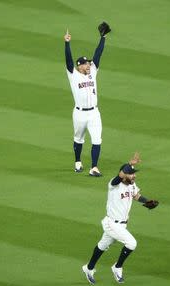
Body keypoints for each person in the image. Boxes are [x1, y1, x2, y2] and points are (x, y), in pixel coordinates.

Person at [81, 152, 159, 284]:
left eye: (134, 173)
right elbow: (119, 176)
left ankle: (88, 268)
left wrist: (147, 201)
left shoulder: (131, 184)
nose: (134, 176)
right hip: (112, 223)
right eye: (131, 174)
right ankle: (117, 267)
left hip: (122, 224)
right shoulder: (114, 184)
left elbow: (136, 196)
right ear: (123, 175)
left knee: (102, 245)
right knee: (131, 243)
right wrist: (128, 165)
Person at [64, 24, 110, 177]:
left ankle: (94, 167)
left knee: (97, 139)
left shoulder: (93, 72)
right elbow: (68, 60)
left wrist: (102, 38)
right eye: (86, 63)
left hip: (94, 113)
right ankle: (77, 161)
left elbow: (98, 54)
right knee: (79, 138)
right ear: (79, 66)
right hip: (79, 113)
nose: (89, 65)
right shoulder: (73, 74)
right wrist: (67, 43)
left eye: (89, 63)